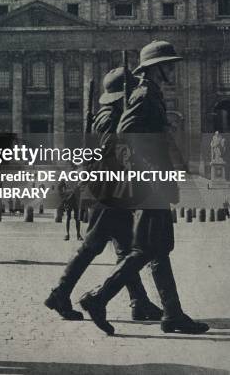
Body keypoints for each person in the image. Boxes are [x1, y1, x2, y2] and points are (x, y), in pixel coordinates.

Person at [80, 41, 209, 336]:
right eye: (168, 65)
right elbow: (125, 133)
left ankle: (172, 314)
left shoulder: (151, 93)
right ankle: (98, 298)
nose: (172, 69)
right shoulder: (145, 94)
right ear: (156, 67)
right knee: (146, 249)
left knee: (158, 249)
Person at [45, 67, 162, 322]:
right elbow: (112, 152)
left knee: (125, 249)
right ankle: (59, 293)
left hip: (112, 189)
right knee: (92, 246)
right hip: (110, 190)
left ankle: (139, 302)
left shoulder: (111, 113)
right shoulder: (110, 116)